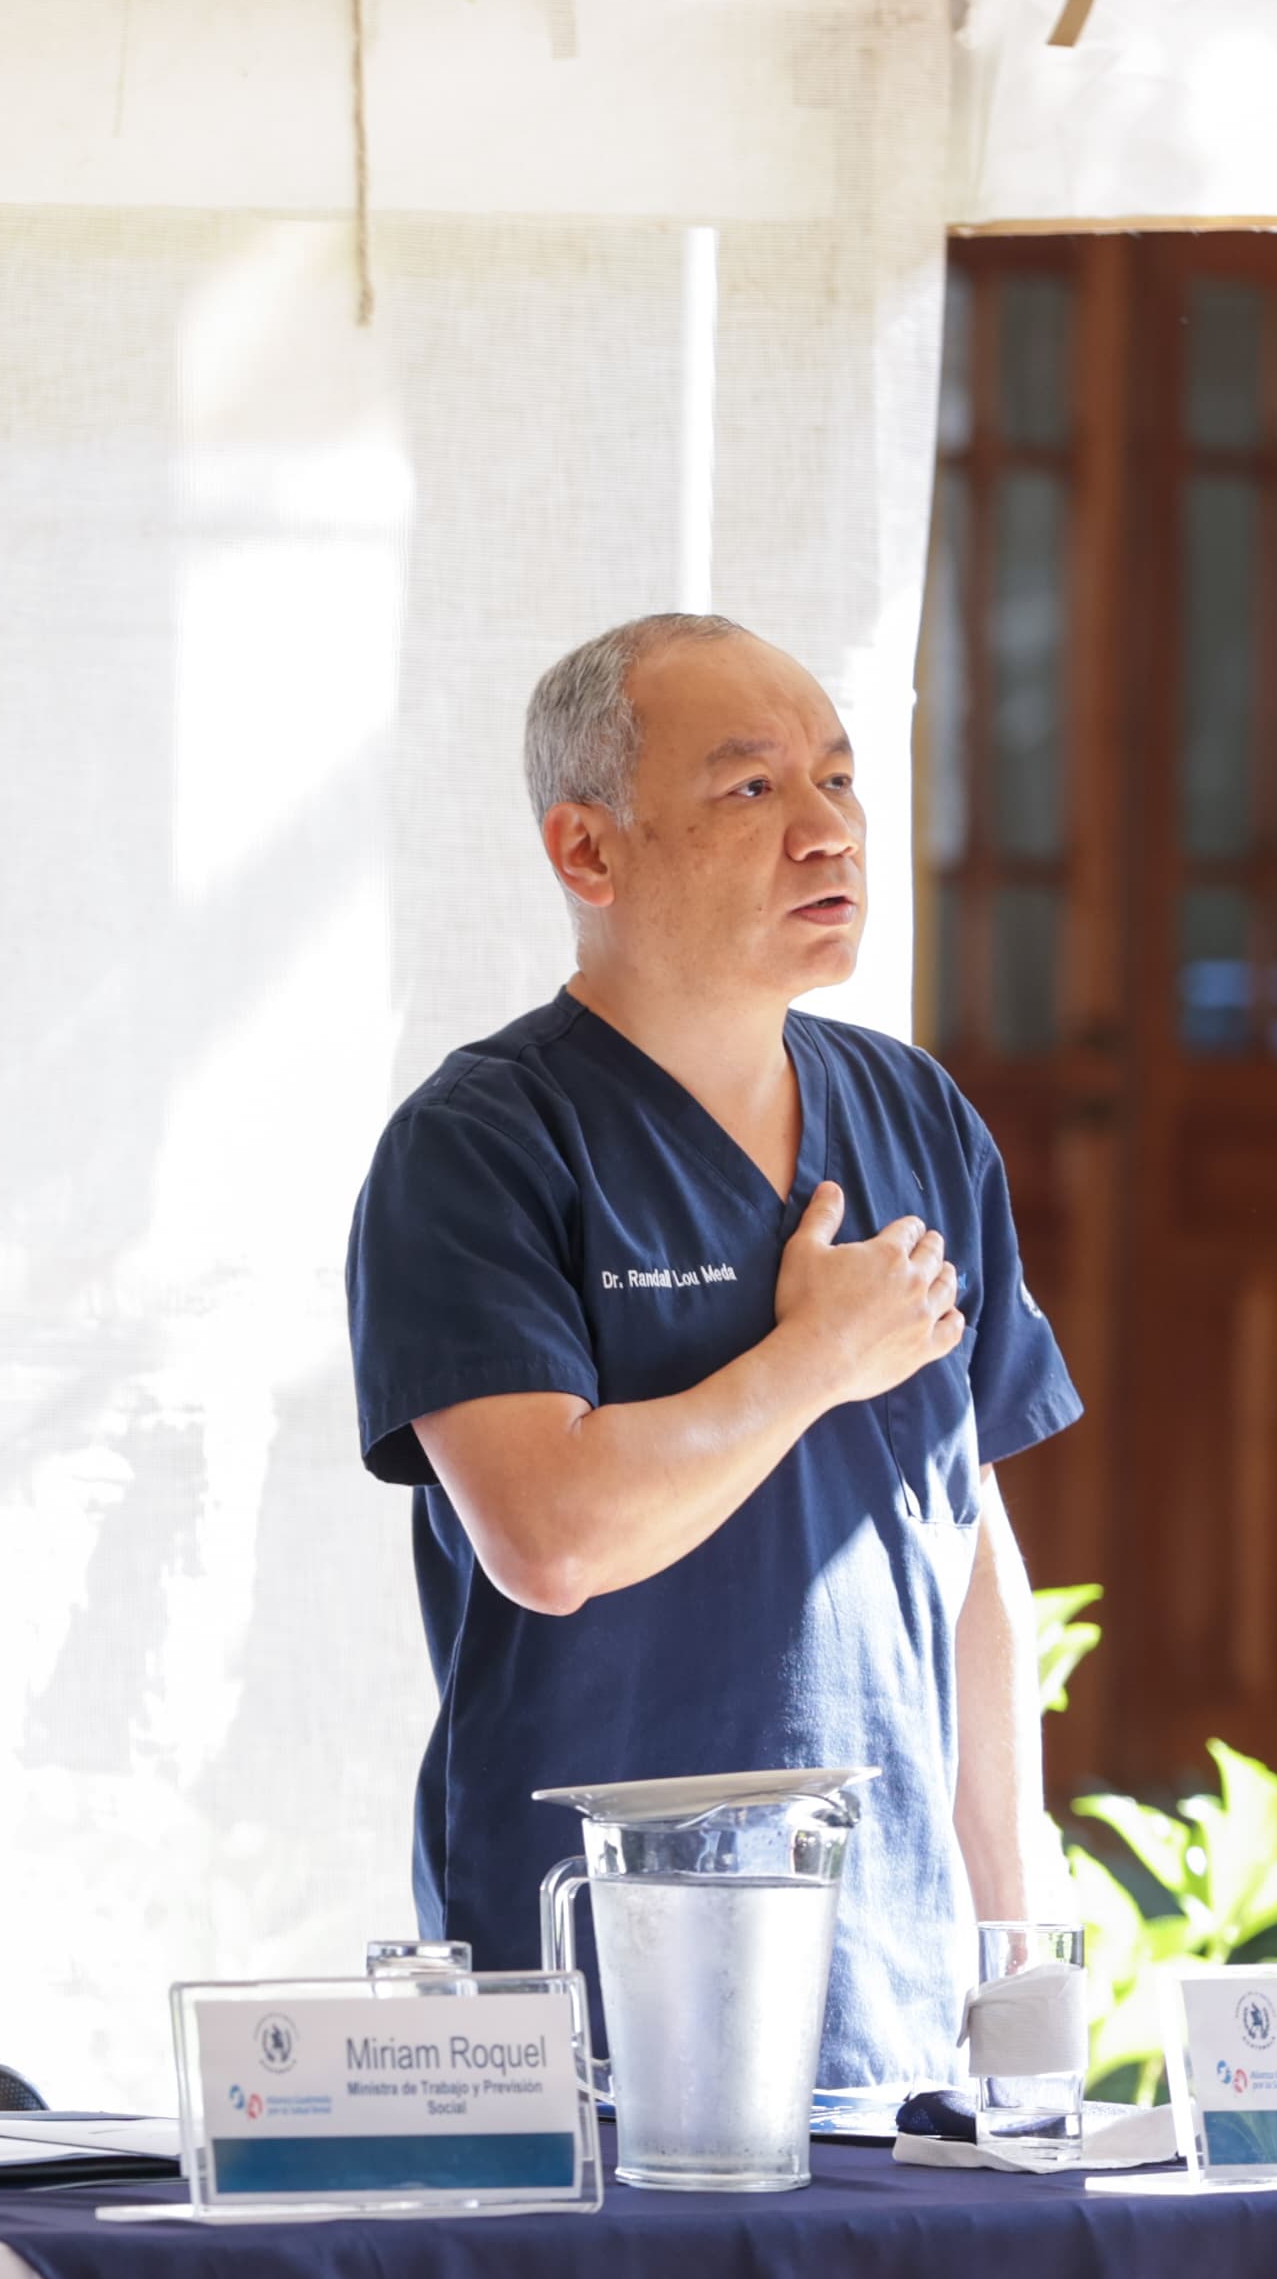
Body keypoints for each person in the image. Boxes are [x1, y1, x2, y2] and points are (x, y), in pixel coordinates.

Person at [346, 612, 1077, 2092]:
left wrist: (1016, 1923)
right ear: (587, 850)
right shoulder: (482, 1144)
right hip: (591, 2002)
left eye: (840, 779)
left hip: (890, 1997)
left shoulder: (918, 1116)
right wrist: (813, 1357)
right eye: (752, 788)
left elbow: (964, 1532)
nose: (828, 830)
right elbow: (550, 1536)